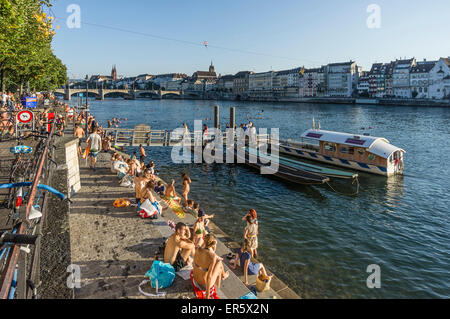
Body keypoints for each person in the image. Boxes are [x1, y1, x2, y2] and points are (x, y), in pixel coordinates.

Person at [193, 234, 229, 299]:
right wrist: (207, 296)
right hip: (203, 283)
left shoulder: (198, 249)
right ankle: (222, 279)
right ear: (212, 244)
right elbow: (209, 277)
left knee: (218, 266)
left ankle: (223, 276)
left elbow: (205, 251)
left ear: (204, 241)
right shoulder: (213, 256)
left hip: (195, 278)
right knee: (219, 264)